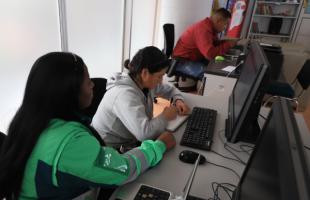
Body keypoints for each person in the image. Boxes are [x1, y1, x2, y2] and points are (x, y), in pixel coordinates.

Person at [0, 52, 176, 199]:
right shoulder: (69, 143)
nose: (93, 84)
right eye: (87, 81)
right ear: (68, 92)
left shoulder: (30, 120)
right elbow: (123, 169)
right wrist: (158, 146)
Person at [92, 46, 190, 149]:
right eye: (159, 76)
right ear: (145, 73)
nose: (161, 81)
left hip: (130, 139)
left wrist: (178, 100)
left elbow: (170, 90)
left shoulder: (143, 82)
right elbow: (144, 135)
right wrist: (165, 116)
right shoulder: (124, 95)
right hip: (109, 150)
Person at [172, 8, 236, 62]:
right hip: (181, 60)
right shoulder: (204, 29)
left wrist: (226, 42)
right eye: (225, 24)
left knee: (217, 64)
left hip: (193, 57)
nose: (225, 28)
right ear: (218, 21)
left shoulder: (210, 26)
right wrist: (228, 44)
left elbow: (213, 44)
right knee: (211, 73)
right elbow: (209, 55)